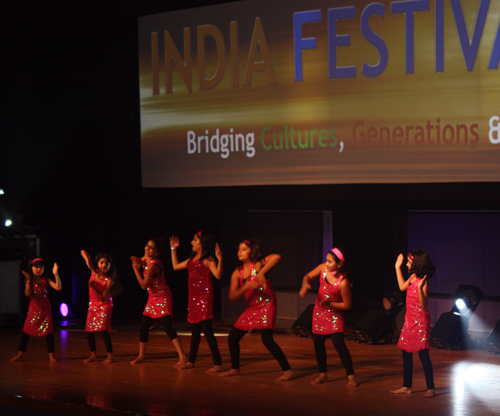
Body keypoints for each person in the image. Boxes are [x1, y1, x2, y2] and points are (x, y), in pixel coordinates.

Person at [220, 239, 295, 381]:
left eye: (243, 249)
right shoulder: (238, 273)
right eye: (239, 249)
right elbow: (232, 297)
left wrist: (262, 273)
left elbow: (277, 257)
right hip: (252, 308)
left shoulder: (259, 264)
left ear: (252, 251)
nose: (239, 252)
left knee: (267, 340)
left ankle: (288, 371)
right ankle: (235, 369)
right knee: (233, 338)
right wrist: (246, 287)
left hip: (267, 304)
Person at [299, 247, 357, 387]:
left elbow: (347, 305)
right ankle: (323, 375)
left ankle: (351, 377)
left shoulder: (343, 282)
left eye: (330, 261)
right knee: (318, 344)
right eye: (326, 260)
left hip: (335, 315)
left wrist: (330, 303)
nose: (326, 264)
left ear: (339, 264)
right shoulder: (322, 269)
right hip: (319, 313)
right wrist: (305, 284)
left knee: (339, 344)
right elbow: (307, 276)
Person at [170, 232, 224, 373]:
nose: (191, 242)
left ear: (202, 244)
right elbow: (175, 266)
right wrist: (173, 249)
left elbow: (218, 275)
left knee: (207, 331)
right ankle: (191, 361)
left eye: (194, 240)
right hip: (193, 299)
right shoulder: (192, 260)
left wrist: (220, 259)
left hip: (204, 298)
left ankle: (218, 364)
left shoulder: (208, 260)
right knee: (195, 331)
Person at [130, 237, 187, 367]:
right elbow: (140, 259)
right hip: (153, 297)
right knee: (144, 326)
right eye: (147, 246)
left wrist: (135, 269)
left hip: (162, 296)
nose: (147, 249)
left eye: (151, 248)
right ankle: (141, 356)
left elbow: (144, 285)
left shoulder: (154, 265)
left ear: (157, 252)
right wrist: (136, 259)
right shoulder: (147, 258)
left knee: (167, 326)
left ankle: (183, 356)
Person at [391, 249, 435, 398]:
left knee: (423, 355)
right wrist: (397, 267)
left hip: (420, 320)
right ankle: (407, 386)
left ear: (417, 263)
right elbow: (402, 287)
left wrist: (421, 290)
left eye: (409, 262)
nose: (407, 264)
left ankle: (430, 388)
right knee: (406, 353)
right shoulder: (412, 277)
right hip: (409, 320)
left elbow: (423, 305)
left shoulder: (423, 280)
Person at [11, 258, 62, 362]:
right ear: (32, 267)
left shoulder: (46, 279)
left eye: (41, 267)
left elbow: (58, 287)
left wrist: (56, 274)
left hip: (46, 310)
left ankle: (51, 355)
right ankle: (20, 354)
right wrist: (29, 281)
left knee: (48, 333)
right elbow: (27, 294)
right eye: (36, 267)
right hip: (34, 310)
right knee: (26, 332)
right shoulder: (30, 279)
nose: (38, 269)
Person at [81, 250, 116, 364]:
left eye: (107, 263)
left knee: (103, 330)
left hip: (104, 305)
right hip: (92, 305)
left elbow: (102, 298)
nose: (104, 265)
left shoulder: (109, 280)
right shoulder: (93, 272)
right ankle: (93, 355)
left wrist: (92, 287)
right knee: (89, 331)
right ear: (97, 264)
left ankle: (110, 356)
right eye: (101, 262)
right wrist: (88, 260)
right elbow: (83, 252)